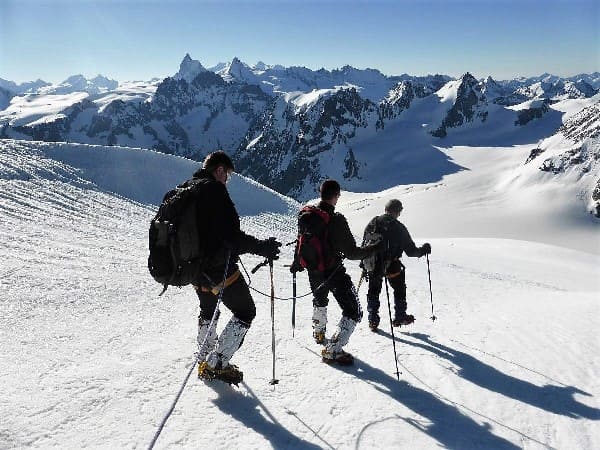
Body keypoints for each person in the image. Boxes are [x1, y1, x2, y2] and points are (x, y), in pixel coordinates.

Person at [193, 151, 281, 384]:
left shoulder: (189, 188)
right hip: (218, 268)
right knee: (245, 312)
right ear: (219, 170)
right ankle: (217, 364)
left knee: (208, 311)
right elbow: (232, 237)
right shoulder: (214, 191)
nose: (227, 180)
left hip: (194, 269)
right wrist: (264, 248)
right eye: (227, 175)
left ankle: (203, 358)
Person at [293, 179, 380, 365]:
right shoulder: (336, 220)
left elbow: (300, 241)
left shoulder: (307, 214)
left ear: (320, 193)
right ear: (336, 196)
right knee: (353, 311)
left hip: (314, 270)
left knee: (320, 300)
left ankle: (319, 332)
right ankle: (333, 350)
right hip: (333, 272)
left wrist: (297, 262)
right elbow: (352, 253)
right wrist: (373, 248)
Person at [362, 199, 431, 332]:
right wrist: (423, 250)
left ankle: (373, 320)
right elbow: (411, 251)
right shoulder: (399, 227)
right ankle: (399, 317)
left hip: (373, 264)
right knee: (399, 289)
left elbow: (365, 242)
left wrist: (364, 263)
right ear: (397, 211)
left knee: (373, 291)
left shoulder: (373, 222)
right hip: (392, 264)